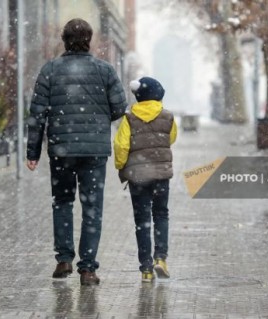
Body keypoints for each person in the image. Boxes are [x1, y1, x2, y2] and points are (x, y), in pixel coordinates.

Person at [26, 18, 127, 286]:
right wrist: (99, 118)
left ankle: (63, 259)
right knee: (92, 207)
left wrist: (32, 152)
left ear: (64, 39)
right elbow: (119, 107)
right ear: (89, 39)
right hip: (94, 151)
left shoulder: (49, 71)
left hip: (61, 150)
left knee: (62, 202)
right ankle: (88, 269)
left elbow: (36, 115)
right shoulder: (105, 71)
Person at [114, 77, 177, 282]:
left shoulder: (129, 118)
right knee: (160, 214)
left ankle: (146, 269)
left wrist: (121, 165)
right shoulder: (167, 116)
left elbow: (121, 146)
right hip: (161, 175)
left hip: (138, 177)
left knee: (142, 221)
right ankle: (161, 258)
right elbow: (171, 138)